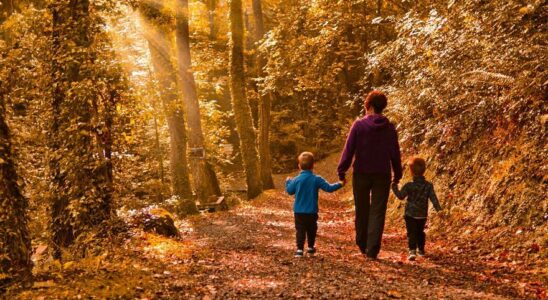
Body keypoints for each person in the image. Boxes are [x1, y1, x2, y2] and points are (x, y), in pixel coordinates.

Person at [337, 90, 402, 260]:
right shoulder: (389, 128)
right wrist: (398, 174)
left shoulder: (359, 125)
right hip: (382, 173)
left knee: (362, 208)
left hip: (361, 173)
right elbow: (395, 153)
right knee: (378, 211)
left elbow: (349, 150)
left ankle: (362, 243)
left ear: (370, 106)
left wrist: (342, 171)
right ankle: (372, 249)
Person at [286, 152, 344, 257]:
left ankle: (299, 249)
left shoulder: (296, 179)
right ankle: (310, 247)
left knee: (300, 229)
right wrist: (340, 183)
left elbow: (290, 191)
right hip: (312, 211)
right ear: (313, 165)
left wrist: (288, 182)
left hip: (299, 211)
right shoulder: (316, 179)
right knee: (311, 229)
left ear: (299, 166)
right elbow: (329, 188)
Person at [392, 157, 442, 261]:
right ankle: (421, 250)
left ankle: (412, 251)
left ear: (411, 171)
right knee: (420, 231)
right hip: (422, 214)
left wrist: (394, 187)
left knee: (411, 232)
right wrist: (439, 210)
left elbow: (401, 196)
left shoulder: (409, 185)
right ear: (424, 170)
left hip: (410, 214)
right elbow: (434, 198)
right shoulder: (428, 185)